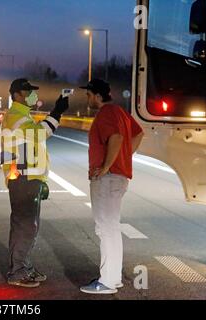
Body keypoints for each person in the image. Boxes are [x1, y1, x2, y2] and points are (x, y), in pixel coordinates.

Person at [78, 79, 144, 295]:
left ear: (97, 95)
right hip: (118, 177)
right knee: (111, 228)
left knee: (106, 229)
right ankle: (112, 278)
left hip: (108, 179)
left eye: (89, 95)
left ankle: (107, 281)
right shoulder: (120, 112)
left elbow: (115, 137)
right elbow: (138, 134)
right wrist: (123, 157)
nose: (87, 99)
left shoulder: (106, 113)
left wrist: (107, 166)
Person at [2, 78, 69, 288]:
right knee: (25, 226)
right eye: (28, 91)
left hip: (29, 176)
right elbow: (39, 135)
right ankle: (18, 271)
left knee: (28, 226)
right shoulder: (15, 116)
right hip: (23, 178)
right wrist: (57, 113)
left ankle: (24, 267)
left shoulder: (22, 115)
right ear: (17, 94)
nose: (33, 94)